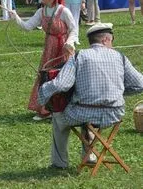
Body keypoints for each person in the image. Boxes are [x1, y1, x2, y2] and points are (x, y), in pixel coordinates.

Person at [38, 23, 143, 169]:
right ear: (106, 39)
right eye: (112, 40)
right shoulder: (120, 57)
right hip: (114, 114)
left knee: (59, 117)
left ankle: (59, 163)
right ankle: (90, 156)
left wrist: (42, 91)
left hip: (82, 113)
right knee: (85, 117)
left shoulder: (79, 56)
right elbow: (140, 84)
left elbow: (62, 85)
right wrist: (117, 90)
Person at [10, 0, 77, 121]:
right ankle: (46, 109)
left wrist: (69, 43)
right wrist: (15, 17)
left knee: (63, 76)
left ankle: (65, 107)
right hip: (50, 48)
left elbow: (74, 29)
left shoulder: (63, 11)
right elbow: (28, 26)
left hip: (64, 49)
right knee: (46, 76)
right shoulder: (41, 11)